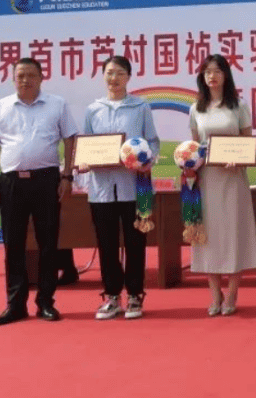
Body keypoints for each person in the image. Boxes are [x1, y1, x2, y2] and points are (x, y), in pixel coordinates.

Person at [0, 58, 77, 326]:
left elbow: (70, 139)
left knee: (48, 242)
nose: (26, 80)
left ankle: (45, 302)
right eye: (20, 75)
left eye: (31, 75)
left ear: (41, 77)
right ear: (13, 78)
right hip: (11, 183)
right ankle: (15, 304)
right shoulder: (0, 107)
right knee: (13, 244)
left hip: (46, 180)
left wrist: (67, 175)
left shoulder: (56, 104)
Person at [80, 56, 160, 319]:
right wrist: (83, 162)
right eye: (110, 73)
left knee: (136, 241)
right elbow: (87, 146)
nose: (114, 78)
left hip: (134, 187)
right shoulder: (93, 109)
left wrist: (146, 160)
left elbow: (153, 142)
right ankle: (112, 296)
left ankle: (136, 295)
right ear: (103, 76)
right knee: (106, 243)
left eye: (120, 73)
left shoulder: (140, 107)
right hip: (101, 189)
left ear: (129, 77)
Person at [189, 54, 256, 316]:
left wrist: (238, 159)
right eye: (207, 72)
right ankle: (214, 294)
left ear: (226, 75)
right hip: (207, 180)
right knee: (210, 237)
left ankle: (232, 294)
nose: (212, 76)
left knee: (232, 235)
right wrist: (189, 165)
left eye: (217, 71)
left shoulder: (238, 106)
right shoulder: (196, 108)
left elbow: (247, 143)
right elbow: (194, 147)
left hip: (232, 180)